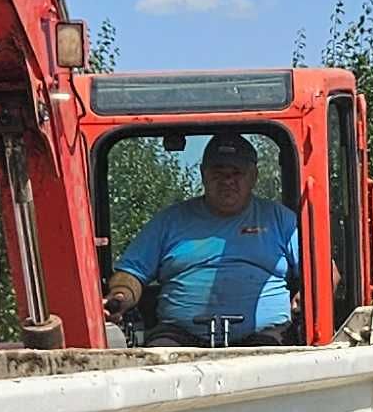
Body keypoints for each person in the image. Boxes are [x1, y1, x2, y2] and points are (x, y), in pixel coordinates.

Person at [108, 130, 300, 346]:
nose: (227, 181)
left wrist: (304, 301)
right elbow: (131, 272)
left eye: (236, 172)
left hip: (266, 336)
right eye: (218, 173)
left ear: (253, 176)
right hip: (179, 335)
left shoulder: (280, 220)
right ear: (203, 174)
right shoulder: (170, 221)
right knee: (157, 359)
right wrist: (121, 295)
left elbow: (326, 273)